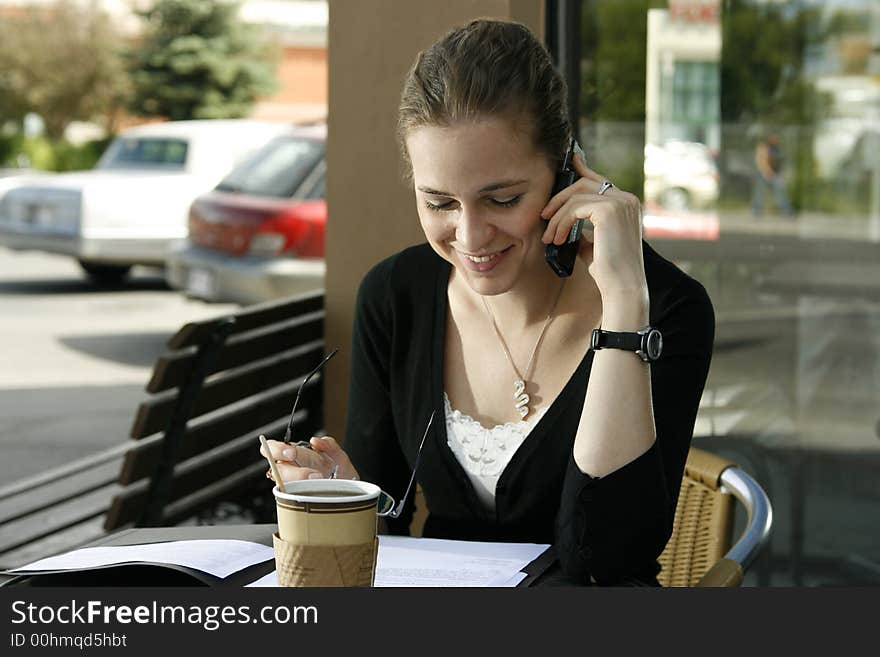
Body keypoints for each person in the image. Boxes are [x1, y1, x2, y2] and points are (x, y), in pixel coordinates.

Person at [260, 19, 714, 586]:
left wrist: (624, 305)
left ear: (565, 170)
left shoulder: (667, 308)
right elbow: (389, 537)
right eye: (440, 202)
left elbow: (606, 562)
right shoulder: (396, 296)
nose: (470, 238)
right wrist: (345, 495)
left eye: (502, 199)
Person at [752, 131, 794, 218]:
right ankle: (757, 212)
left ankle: (787, 211)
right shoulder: (763, 147)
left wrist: (779, 172)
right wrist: (767, 171)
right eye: (774, 138)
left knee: (781, 193)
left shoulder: (777, 148)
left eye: (777, 138)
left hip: (775, 174)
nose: (776, 140)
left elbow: (780, 162)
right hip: (764, 173)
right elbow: (760, 160)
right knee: (759, 194)